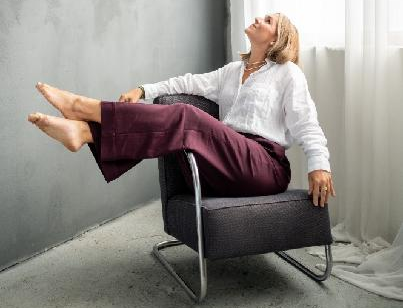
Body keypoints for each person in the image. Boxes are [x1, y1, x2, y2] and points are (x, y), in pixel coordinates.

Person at [28, 12, 336, 207]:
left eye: (268, 21)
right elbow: (187, 83)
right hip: (218, 166)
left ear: (277, 39)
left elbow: (307, 123)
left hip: (262, 166)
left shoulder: (287, 74)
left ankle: (82, 109)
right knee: (178, 125)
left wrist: (319, 165)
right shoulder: (232, 72)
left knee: (186, 116)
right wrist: (143, 90)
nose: (258, 18)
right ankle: (85, 133)